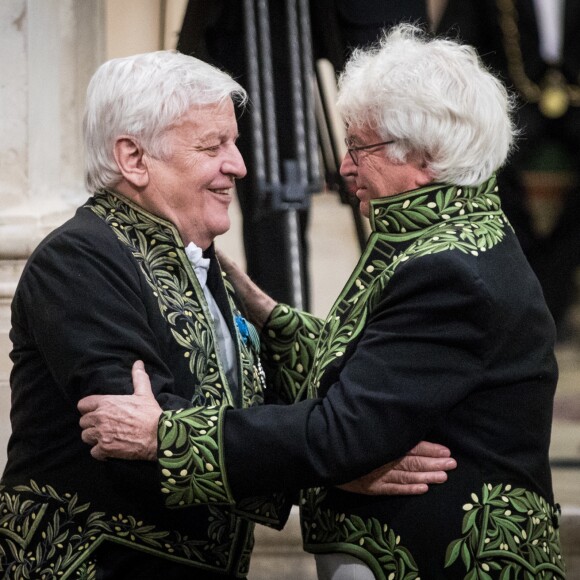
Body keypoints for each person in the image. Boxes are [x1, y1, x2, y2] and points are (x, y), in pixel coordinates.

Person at [78, 25, 567, 578]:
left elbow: (343, 433)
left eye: (359, 147)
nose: (345, 166)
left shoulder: (444, 268)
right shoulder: (455, 231)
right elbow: (390, 362)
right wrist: (277, 321)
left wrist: (165, 437)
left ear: (424, 155)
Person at [0, 50, 454, 579]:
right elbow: (131, 441)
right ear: (133, 158)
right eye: (213, 146)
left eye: (234, 143)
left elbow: (237, 406)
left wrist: (347, 439)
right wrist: (333, 463)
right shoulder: (77, 260)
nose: (238, 165)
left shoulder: (201, 253)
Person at [438, 0, 580, 336]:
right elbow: (455, 44)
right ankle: (520, 290)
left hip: (576, 107)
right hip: (511, 104)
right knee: (483, 168)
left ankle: (552, 290)